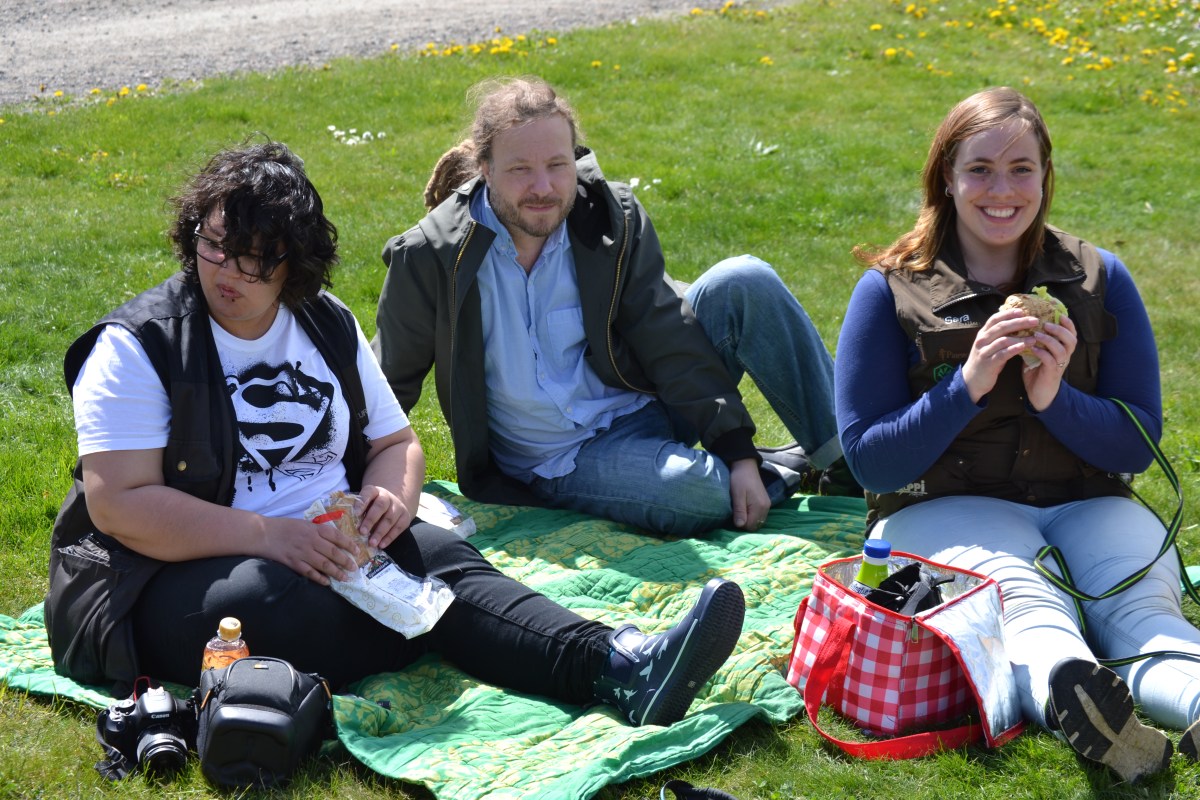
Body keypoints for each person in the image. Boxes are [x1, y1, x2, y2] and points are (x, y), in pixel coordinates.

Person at [44, 140, 746, 730]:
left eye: (256, 259)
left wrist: (388, 501)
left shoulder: (323, 322)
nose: (228, 271)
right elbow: (120, 506)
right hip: (170, 577)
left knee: (444, 560)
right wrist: (270, 536)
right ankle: (443, 626)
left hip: (333, 546)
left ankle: (621, 663)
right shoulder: (140, 345)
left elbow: (396, 445)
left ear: (295, 264)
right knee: (278, 603)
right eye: (216, 246)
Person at [835, 86, 1200, 782]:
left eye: (1021, 169)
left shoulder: (1099, 278)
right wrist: (965, 386)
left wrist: (1055, 399)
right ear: (946, 176)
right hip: (946, 509)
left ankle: (1192, 697)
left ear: (1045, 176)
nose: (1001, 190)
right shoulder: (890, 290)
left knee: (1141, 608)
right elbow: (871, 463)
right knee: (1021, 603)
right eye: (979, 169)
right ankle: (1077, 696)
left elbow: (1138, 443)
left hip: (1089, 501)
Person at [374, 76, 858, 539]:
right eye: (520, 169)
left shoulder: (609, 216)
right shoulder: (431, 256)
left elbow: (667, 331)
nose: (543, 187)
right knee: (696, 491)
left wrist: (735, 450)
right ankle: (777, 469)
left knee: (744, 280)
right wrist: (354, 486)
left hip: (643, 396)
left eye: (557, 165)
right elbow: (384, 385)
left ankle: (851, 466)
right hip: (563, 456)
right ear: (485, 167)